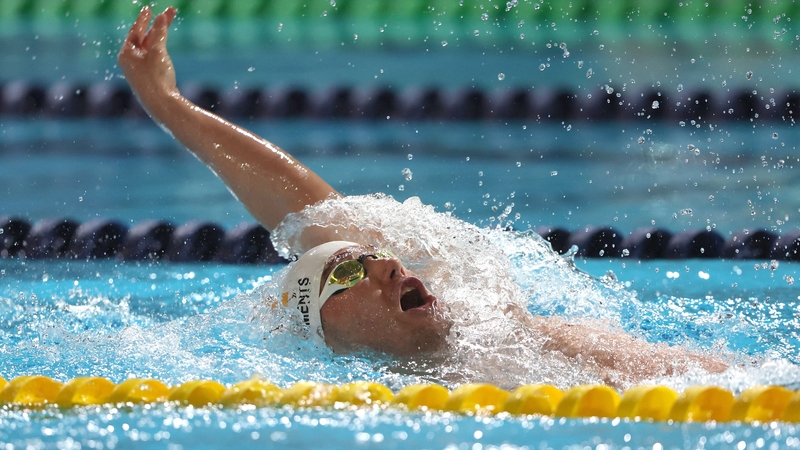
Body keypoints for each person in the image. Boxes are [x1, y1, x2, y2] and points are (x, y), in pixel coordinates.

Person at [118, 6, 729, 387]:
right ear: (328, 331)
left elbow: (305, 212)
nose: (387, 263)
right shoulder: (411, 400)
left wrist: (170, 107)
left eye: (366, 255)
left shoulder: (483, 312)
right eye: (351, 271)